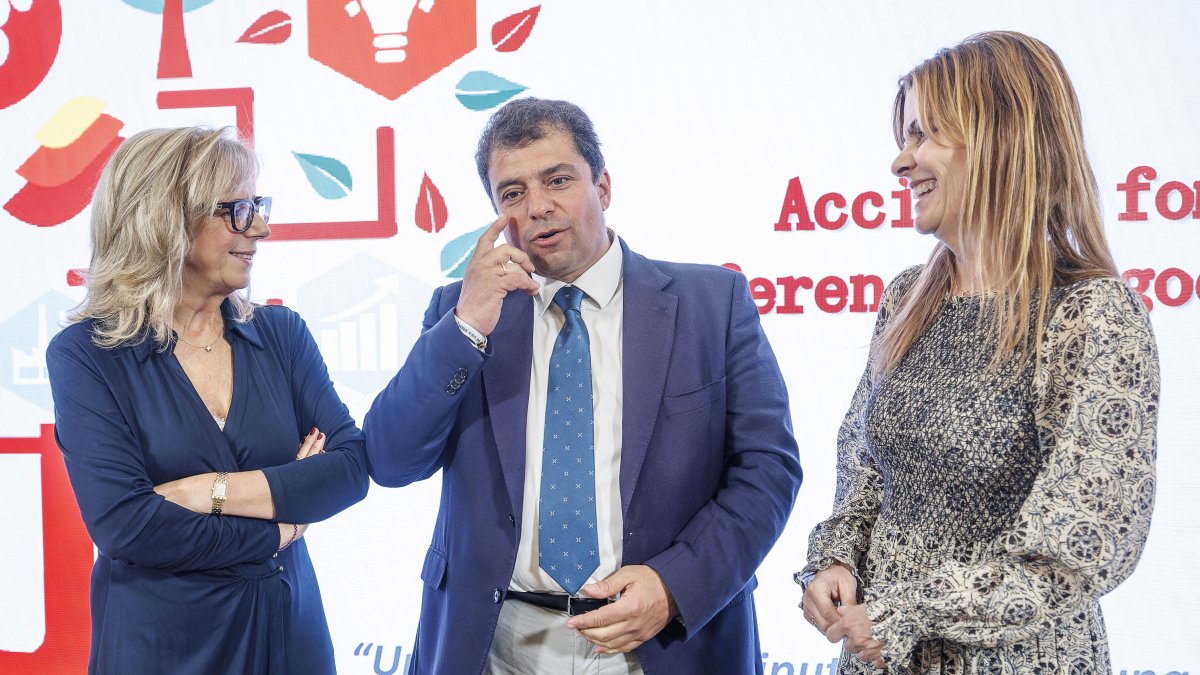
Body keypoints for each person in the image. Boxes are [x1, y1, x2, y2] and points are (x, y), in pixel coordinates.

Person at [364, 97, 802, 674]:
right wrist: (466, 326)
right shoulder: (463, 312)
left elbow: (767, 469)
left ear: (604, 186)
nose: (539, 207)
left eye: (558, 180)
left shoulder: (710, 303)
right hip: (497, 645)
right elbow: (392, 461)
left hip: (659, 641)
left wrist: (675, 585)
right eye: (513, 193)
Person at [796, 31, 1160, 673]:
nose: (900, 163)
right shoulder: (908, 297)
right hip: (881, 655)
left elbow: (1085, 543)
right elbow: (866, 465)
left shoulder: (1090, 313)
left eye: (923, 136)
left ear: (1002, 139)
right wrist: (837, 557)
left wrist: (908, 609)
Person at [46, 126, 369, 675]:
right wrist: (280, 528)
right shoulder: (87, 354)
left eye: (257, 206)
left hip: (291, 638)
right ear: (166, 219)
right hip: (163, 650)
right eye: (238, 210)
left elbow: (350, 470)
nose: (261, 227)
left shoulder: (282, 334)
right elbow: (129, 524)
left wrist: (208, 492)